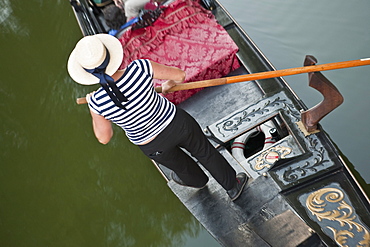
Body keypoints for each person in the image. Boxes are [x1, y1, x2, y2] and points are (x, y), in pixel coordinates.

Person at [67, 34, 248, 201]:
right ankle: (233, 187)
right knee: (205, 152)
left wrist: (92, 107)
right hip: (177, 123)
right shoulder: (140, 68)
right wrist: (169, 84)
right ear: (110, 55)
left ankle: (198, 180)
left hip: (152, 144)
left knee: (181, 167)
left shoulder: (97, 102)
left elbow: (104, 138)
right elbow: (179, 75)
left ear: (88, 73)